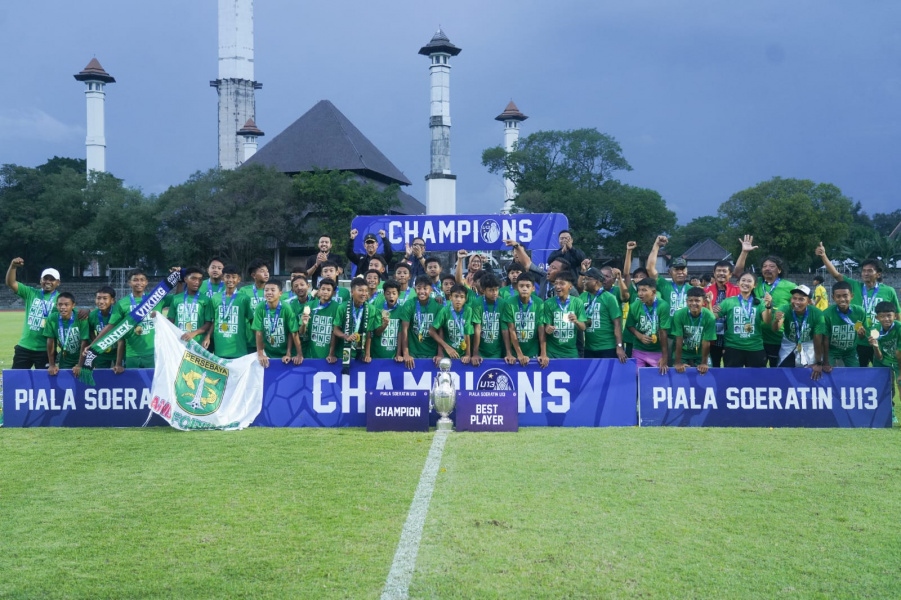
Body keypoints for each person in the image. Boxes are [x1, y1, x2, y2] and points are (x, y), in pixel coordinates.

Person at [815, 243, 901, 367]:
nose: (865, 273)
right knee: (858, 375)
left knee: (883, 372)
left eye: (870, 271)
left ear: (878, 274)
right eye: (864, 271)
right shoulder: (854, 286)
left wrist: (893, 337)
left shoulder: (889, 291)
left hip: (880, 340)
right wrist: (823, 256)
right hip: (859, 341)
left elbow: (897, 316)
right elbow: (836, 274)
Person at [732, 236, 796, 367]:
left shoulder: (790, 286)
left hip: (778, 337)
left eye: (772, 266)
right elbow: (738, 273)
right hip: (756, 338)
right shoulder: (756, 282)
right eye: (764, 266)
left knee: (778, 373)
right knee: (756, 374)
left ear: (779, 270)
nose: (767, 268)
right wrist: (744, 252)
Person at [6, 258, 61, 369]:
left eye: (52, 279)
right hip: (25, 346)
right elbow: (11, 283)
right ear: (40, 280)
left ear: (58, 283)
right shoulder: (31, 293)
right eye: (45, 278)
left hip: (46, 350)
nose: (48, 282)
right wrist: (13, 266)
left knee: (45, 384)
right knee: (17, 380)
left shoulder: (61, 299)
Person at [712, 272, 769, 368]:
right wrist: (709, 304)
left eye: (749, 281)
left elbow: (767, 321)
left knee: (757, 380)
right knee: (733, 380)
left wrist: (768, 306)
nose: (745, 283)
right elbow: (712, 317)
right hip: (733, 347)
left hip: (755, 347)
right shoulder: (728, 301)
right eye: (743, 280)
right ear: (738, 283)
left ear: (754, 285)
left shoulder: (760, 302)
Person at [108, 269, 159, 369]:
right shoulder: (122, 304)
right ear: (129, 283)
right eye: (135, 280)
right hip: (132, 355)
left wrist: (178, 280)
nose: (139, 283)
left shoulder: (155, 298)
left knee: (153, 384)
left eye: (142, 280)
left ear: (146, 282)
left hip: (153, 353)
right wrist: (118, 363)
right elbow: (118, 335)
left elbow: (176, 300)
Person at [203, 265, 253, 359]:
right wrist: (208, 336)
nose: (230, 280)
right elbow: (214, 320)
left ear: (239, 279)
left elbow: (251, 321)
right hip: (220, 347)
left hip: (238, 347)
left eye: (234, 277)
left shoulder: (244, 299)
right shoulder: (215, 298)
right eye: (227, 277)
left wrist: (259, 340)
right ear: (222, 278)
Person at [625, 278, 671, 374]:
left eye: (644, 290)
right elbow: (629, 325)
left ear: (653, 292)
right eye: (639, 290)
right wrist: (639, 336)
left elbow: (663, 332)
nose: (640, 294)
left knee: (658, 377)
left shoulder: (663, 306)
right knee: (637, 376)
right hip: (639, 349)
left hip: (657, 350)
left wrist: (664, 356)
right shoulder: (634, 306)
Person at [580, 268, 627, 361]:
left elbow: (617, 324)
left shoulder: (609, 298)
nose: (584, 281)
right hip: (589, 348)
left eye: (587, 279)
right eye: (584, 279)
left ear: (596, 281)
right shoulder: (582, 297)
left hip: (608, 347)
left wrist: (619, 346)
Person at [501, 273, 548, 367]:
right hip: (515, 352)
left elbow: (541, 329)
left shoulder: (539, 303)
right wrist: (519, 354)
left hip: (533, 350)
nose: (524, 289)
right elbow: (512, 330)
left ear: (533, 288)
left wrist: (543, 353)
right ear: (516, 288)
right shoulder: (509, 303)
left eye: (528, 286)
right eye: (521, 286)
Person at [400, 276, 445, 367]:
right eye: (418, 288)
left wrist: (440, 353)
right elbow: (404, 330)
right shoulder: (409, 304)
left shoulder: (437, 305)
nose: (421, 292)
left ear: (431, 290)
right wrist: (405, 354)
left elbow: (440, 331)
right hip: (413, 353)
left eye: (425, 288)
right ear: (414, 289)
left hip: (432, 352)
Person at [252, 279, 300, 367]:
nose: (269, 292)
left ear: (280, 293)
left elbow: (292, 332)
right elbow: (259, 332)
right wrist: (260, 354)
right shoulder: (260, 307)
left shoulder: (286, 307)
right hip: (268, 353)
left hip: (285, 352)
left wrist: (290, 354)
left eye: (273, 290)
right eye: (266, 290)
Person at [704, 259, 741, 368]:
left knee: (731, 367)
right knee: (713, 367)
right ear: (714, 273)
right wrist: (709, 306)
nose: (721, 273)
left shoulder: (737, 291)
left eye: (724, 271)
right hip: (712, 337)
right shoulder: (705, 291)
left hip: (731, 337)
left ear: (730, 274)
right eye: (718, 271)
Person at [821, 281, 867, 368]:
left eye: (845, 296)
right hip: (831, 350)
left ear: (851, 296)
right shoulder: (826, 314)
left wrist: (861, 335)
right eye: (838, 296)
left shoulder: (859, 312)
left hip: (850, 351)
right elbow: (825, 339)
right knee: (826, 372)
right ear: (833, 297)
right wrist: (826, 360)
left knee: (854, 373)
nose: (842, 299)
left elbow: (862, 337)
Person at [542, 271, 587, 359]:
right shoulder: (548, 303)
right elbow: (546, 327)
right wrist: (548, 329)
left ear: (570, 286)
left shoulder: (578, 302)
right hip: (552, 353)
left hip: (571, 352)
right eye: (556, 283)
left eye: (562, 284)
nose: (558, 286)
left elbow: (583, 327)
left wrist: (576, 321)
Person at [672, 287, 717, 373]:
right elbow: (679, 339)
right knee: (677, 373)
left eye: (697, 300)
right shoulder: (679, 314)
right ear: (686, 301)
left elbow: (706, 341)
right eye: (690, 300)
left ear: (703, 302)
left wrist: (704, 363)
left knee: (707, 373)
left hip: (700, 354)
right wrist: (678, 362)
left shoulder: (709, 317)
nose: (693, 303)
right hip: (683, 353)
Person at [43, 292, 89, 377]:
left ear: (73, 305)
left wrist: (80, 364)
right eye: (60, 304)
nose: (63, 307)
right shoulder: (52, 318)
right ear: (56, 305)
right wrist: (52, 364)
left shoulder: (80, 318)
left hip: (83, 358)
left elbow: (84, 342)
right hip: (65, 358)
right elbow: (50, 342)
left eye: (66, 304)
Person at [869, 301, 901, 421]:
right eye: (882, 316)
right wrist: (876, 347)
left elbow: (899, 353)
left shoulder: (899, 328)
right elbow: (879, 358)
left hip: (899, 361)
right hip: (883, 361)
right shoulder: (874, 331)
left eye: (889, 315)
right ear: (877, 317)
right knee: (885, 387)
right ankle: (890, 414)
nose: (886, 319)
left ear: (895, 316)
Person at [432, 283, 477, 363]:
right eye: (456, 296)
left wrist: (468, 354)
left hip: (462, 353)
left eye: (462, 297)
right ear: (450, 298)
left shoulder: (468, 310)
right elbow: (431, 331)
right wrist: (446, 348)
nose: (458, 300)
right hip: (447, 353)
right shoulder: (444, 310)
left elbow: (467, 333)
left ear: (465, 299)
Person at [300, 278, 343, 361]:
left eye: (328, 290)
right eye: (323, 289)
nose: (325, 292)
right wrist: (304, 324)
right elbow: (302, 332)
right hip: (311, 355)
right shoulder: (309, 305)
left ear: (333, 293)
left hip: (329, 356)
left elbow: (335, 332)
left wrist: (331, 354)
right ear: (318, 291)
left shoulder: (338, 307)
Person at [332, 278, 372, 366]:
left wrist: (367, 354)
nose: (364, 294)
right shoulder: (342, 307)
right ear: (352, 292)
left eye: (366, 291)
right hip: (342, 354)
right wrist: (346, 336)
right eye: (360, 290)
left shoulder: (371, 308)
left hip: (361, 356)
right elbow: (335, 330)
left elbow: (369, 333)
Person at [647, 236, 689, 317]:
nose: (680, 272)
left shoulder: (692, 289)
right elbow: (650, 268)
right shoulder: (664, 285)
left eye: (683, 269)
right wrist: (656, 245)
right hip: (668, 328)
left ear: (687, 271)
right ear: (669, 272)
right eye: (676, 269)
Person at [168, 267, 212, 342]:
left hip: (197, 343)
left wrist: (193, 333)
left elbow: (208, 324)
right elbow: (170, 321)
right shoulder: (176, 298)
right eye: (193, 279)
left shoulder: (206, 299)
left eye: (200, 279)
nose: (197, 282)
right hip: (179, 341)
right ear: (185, 279)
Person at [365, 279, 405, 363]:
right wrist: (384, 325)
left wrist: (398, 354)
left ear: (399, 294)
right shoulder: (377, 309)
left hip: (394, 357)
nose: (391, 296)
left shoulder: (402, 310)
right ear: (384, 294)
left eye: (394, 293)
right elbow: (376, 333)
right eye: (388, 293)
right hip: (376, 355)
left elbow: (400, 333)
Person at [470, 273, 506, 366]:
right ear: (483, 290)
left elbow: (505, 329)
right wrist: (475, 353)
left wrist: (508, 353)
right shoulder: (476, 303)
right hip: (480, 351)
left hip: (497, 351)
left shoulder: (503, 303)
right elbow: (477, 328)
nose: (494, 293)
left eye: (496, 290)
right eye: (491, 290)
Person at [86, 286, 120, 371]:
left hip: (118, 351)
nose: (101, 302)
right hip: (101, 352)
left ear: (112, 300)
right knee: (102, 376)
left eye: (105, 298)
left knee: (121, 375)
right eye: (98, 298)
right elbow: (89, 330)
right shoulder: (93, 315)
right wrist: (97, 342)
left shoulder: (118, 314)